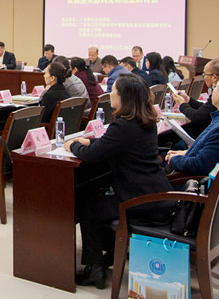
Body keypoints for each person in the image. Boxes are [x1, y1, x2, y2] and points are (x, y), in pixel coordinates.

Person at [64, 73, 174, 288]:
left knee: (87, 205)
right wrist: (91, 141)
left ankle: (95, 268)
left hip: (140, 201)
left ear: (125, 97)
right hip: (157, 193)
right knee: (93, 195)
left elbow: (91, 155)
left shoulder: (123, 126)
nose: (111, 94)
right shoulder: (145, 120)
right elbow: (113, 143)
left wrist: (73, 145)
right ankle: (107, 253)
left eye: (114, 90)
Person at [166, 72, 219, 176]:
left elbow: (199, 165)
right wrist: (185, 153)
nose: (213, 90)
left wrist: (174, 159)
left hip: (193, 180)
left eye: (215, 87)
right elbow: (210, 154)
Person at [171, 58, 219, 139]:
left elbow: (197, 117)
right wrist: (188, 99)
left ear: (214, 77)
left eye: (205, 74)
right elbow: (207, 109)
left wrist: (182, 104)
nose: (204, 77)